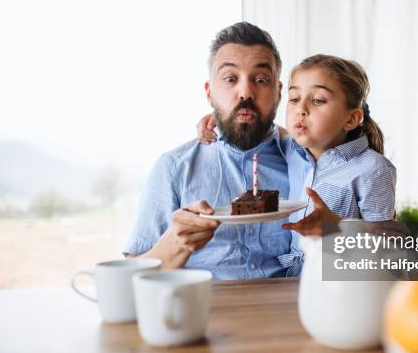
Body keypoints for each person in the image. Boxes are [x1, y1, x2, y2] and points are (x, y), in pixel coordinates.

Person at [199, 54, 397, 276]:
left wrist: (337, 229)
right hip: (294, 282)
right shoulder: (292, 149)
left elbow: (387, 252)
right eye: (294, 99)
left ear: (351, 119)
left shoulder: (373, 169)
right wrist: (228, 117)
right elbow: (264, 129)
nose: (300, 109)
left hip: (342, 289)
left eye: (318, 100)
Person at [123, 22, 292, 280]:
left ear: (278, 92)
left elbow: (353, 268)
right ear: (210, 92)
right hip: (201, 313)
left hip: (290, 312)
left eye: (260, 80)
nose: (245, 92)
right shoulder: (174, 168)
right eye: (230, 79)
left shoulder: (306, 163)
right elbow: (131, 276)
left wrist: (335, 236)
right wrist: (176, 243)